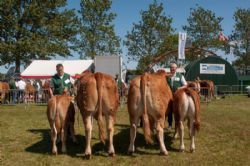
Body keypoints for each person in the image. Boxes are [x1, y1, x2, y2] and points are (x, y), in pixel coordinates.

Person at [166, 62, 187, 129]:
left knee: (177, 112)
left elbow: (185, 85)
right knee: (169, 111)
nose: (172, 69)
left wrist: (180, 88)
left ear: (176, 68)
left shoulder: (180, 76)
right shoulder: (167, 76)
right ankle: (169, 124)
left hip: (178, 97)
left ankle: (177, 125)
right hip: (169, 97)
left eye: (174, 68)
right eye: (171, 67)